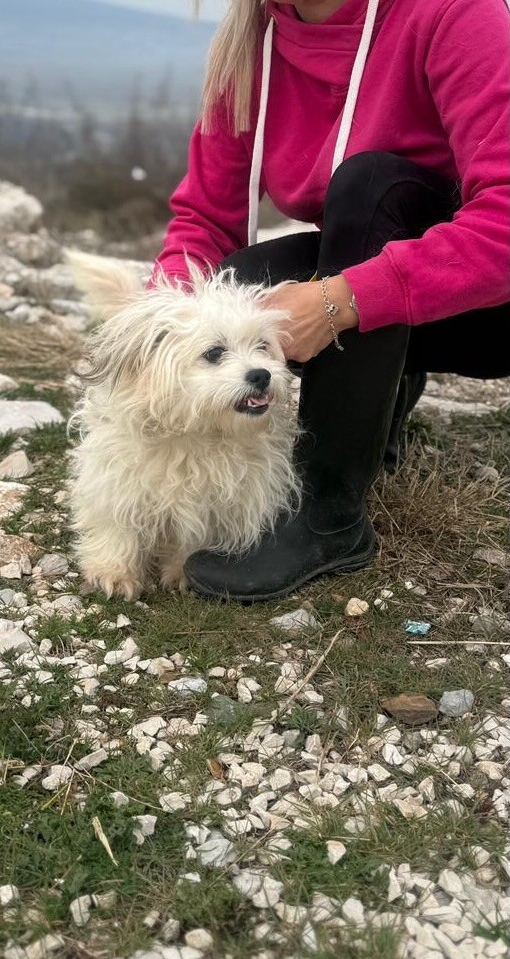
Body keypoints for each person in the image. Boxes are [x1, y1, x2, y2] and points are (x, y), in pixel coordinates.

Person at [150, 0, 510, 602]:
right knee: (240, 280)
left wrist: (336, 301)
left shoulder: (455, 11)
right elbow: (206, 221)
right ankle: (379, 399)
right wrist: (154, 332)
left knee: (370, 186)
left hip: (492, 309)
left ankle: (327, 516)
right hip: (401, 280)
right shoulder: (254, 39)